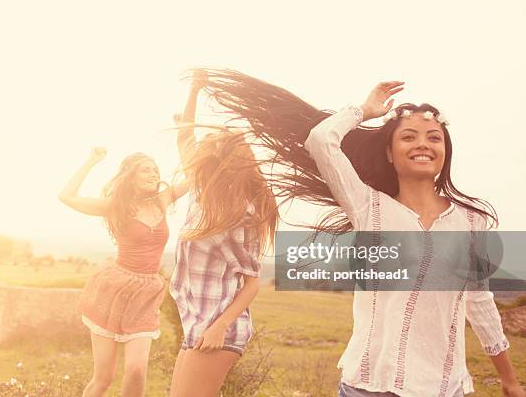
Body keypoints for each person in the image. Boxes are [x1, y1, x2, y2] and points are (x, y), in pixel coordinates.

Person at [200, 70, 524, 396]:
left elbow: (479, 301)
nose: (422, 144)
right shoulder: (369, 207)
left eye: (433, 137)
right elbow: (320, 140)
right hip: (369, 386)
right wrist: (364, 111)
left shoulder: (470, 222)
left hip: (444, 387)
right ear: (389, 153)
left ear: (445, 150)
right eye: (408, 137)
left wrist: (508, 379)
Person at [168, 70, 279, 396]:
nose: (206, 148)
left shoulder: (242, 215)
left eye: (215, 146)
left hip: (220, 329)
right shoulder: (201, 194)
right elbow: (184, 137)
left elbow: (252, 281)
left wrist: (220, 327)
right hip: (197, 322)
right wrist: (194, 90)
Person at [59, 148, 187, 397]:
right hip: (114, 289)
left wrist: (188, 129)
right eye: (145, 169)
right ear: (131, 177)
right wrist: (91, 161)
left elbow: (194, 175)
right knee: (103, 378)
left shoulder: (163, 199)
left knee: (137, 371)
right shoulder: (116, 207)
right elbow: (66, 196)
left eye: (155, 169)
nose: (154, 173)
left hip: (147, 292)